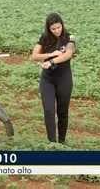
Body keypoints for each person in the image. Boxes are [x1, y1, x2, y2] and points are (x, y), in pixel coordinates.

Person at [31, 13, 76, 143]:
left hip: (64, 79)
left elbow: (68, 55)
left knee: (62, 112)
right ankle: (52, 143)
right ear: (48, 29)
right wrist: (50, 54)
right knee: (49, 110)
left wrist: (52, 61)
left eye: (58, 27)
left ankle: (61, 142)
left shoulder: (70, 38)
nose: (57, 31)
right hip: (48, 79)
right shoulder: (44, 38)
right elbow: (34, 56)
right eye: (53, 29)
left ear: (62, 25)